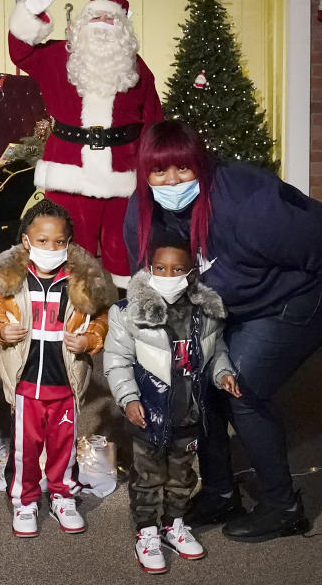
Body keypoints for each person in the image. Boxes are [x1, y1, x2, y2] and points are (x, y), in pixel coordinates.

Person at [123, 119, 322, 543]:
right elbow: (153, 283)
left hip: (298, 296)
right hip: (231, 304)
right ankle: (222, 493)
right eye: (160, 172)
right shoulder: (142, 212)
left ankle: (284, 507)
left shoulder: (250, 203)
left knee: (239, 384)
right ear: (145, 174)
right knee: (199, 381)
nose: (172, 181)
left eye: (183, 169)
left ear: (200, 165)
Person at [8, 0, 163, 291]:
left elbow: (153, 122)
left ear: (123, 30)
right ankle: (66, 308)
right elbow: (21, 53)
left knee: (123, 246)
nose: (103, 26)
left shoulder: (137, 70)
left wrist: (152, 171)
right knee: (70, 244)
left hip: (123, 172)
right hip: (69, 169)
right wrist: (29, 12)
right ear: (81, 25)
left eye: (111, 20)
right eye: (96, 18)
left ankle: (121, 309)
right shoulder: (55, 56)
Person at [104, 231, 240, 574]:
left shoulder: (207, 312)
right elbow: (117, 360)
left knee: (182, 475)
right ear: (148, 268)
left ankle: (174, 525)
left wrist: (223, 373)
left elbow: (216, 351)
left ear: (191, 270)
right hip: (147, 413)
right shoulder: (127, 313)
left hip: (190, 411)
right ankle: (147, 532)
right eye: (160, 268)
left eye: (176, 269)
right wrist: (128, 398)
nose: (167, 276)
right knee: (148, 475)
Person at [0, 199, 109, 538]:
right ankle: (25, 500)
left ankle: (63, 495)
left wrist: (90, 341)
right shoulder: (12, 279)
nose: (51, 248)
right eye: (42, 241)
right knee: (25, 448)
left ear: (69, 243)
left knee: (63, 445)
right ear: (26, 241)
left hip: (66, 382)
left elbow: (99, 318)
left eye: (59, 242)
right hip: (25, 385)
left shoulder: (83, 282)